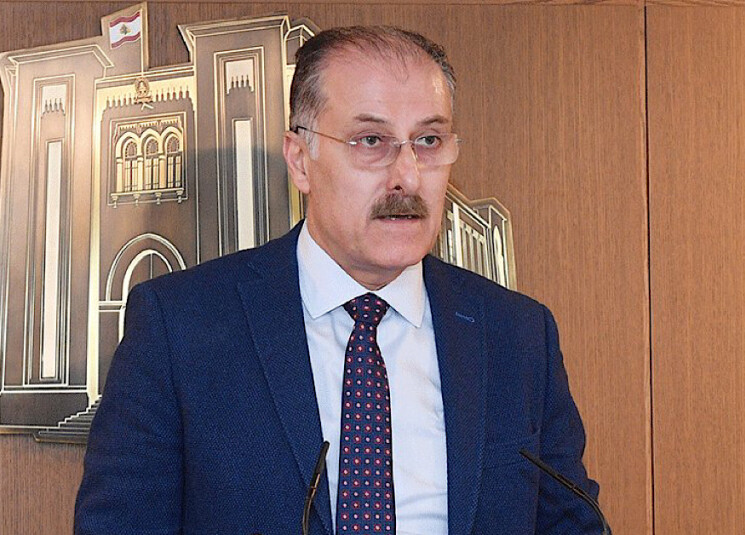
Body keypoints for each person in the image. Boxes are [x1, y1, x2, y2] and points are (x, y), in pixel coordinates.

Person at [75, 26, 603, 535]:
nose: (407, 176)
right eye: (371, 140)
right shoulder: (181, 328)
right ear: (300, 161)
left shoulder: (517, 335)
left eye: (428, 140)